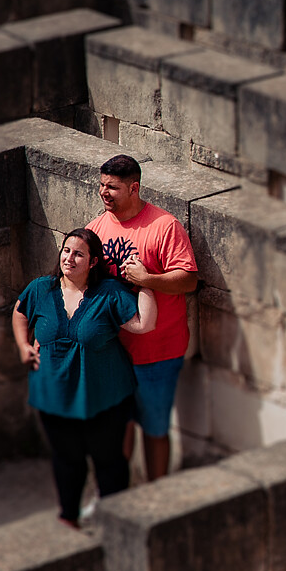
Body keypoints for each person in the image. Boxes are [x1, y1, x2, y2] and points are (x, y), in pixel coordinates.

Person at [11, 228, 157, 528]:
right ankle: (69, 519)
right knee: (67, 460)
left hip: (103, 395)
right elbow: (19, 312)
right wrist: (24, 345)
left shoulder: (109, 293)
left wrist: (145, 283)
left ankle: (116, 522)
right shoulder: (40, 289)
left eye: (78, 254)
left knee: (108, 461)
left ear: (92, 262)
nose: (69, 258)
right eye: (66, 251)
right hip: (54, 395)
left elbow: (144, 324)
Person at [87, 154, 198, 481]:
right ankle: (118, 496)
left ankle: (156, 496)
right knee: (117, 428)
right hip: (112, 354)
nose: (105, 193)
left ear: (134, 188)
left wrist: (147, 279)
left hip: (158, 353)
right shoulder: (96, 228)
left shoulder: (164, 226)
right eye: (102, 185)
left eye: (114, 187)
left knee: (155, 428)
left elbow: (189, 279)